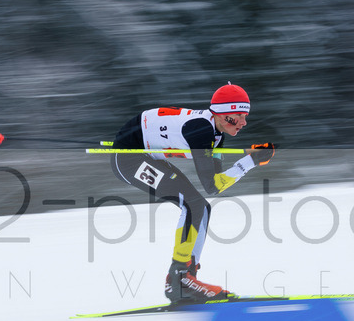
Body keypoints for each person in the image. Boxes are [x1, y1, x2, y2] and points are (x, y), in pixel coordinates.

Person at [108, 83, 276, 304]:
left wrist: (249, 162)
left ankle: (187, 277)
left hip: (148, 154)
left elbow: (213, 187)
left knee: (201, 207)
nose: (244, 123)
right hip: (129, 160)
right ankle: (178, 279)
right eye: (239, 115)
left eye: (246, 116)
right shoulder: (201, 130)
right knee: (193, 205)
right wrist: (250, 162)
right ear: (224, 114)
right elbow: (212, 184)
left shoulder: (216, 135)